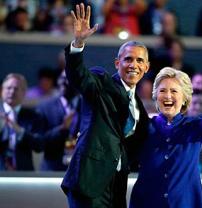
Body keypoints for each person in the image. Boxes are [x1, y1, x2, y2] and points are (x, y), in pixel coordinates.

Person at [60, 3, 149, 208]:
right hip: (89, 182)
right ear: (117, 63)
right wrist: (78, 43)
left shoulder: (139, 108)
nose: (133, 65)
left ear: (146, 67)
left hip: (116, 187)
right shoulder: (101, 82)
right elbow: (78, 76)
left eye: (138, 60)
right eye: (127, 59)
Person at [130, 63, 202, 208]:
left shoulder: (193, 126)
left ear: (184, 99)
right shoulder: (144, 126)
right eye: (162, 90)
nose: (168, 96)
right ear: (156, 96)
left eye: (174, 91)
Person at [37, 71, 81, 171]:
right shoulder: (45, 107)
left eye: (68, 78)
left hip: (80, 171)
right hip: (52, 170)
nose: (63, 82)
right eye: (61, 78)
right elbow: (39, 141)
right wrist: (61, 129)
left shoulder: (89, 107)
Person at [0, 73, 43, 170]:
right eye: (8, 88)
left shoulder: (34, 116)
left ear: (24, 93)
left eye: (16, 89)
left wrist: (20, 131)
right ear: (2, 90)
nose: (11, 92)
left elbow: (39, 145)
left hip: (23, 173)